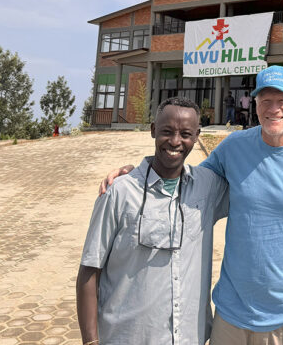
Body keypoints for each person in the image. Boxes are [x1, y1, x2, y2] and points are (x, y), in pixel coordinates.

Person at [100, 66, 283, 344]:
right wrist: (138, 175)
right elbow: (185, 181)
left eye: (282, 100)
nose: (274, 109)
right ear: (255, 105)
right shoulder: (234, 148)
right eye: (266, 100)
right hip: (230, 318)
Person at [77, 97, 228, 345]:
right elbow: (89, 270)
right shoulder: (119, 192)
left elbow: (253, 175)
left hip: (190, 338)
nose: (175, 141)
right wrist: (91, 342)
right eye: (167, 131)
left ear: (197, 135)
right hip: (128, 337)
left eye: (186, 134)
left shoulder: (208, 186)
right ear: (153, 130)